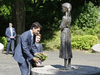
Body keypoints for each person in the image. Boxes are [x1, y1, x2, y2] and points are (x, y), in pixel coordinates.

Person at [59, 3, 73, 70]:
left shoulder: (64, 17)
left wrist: (59, 26)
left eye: (62, 8)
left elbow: (62, 27)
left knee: (64, 47)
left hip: (64, 32)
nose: (62, 9)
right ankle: (69, 64)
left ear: (66, 8)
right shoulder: (70, 17)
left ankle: (65, 65)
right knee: (68, 47)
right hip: (68, 32)